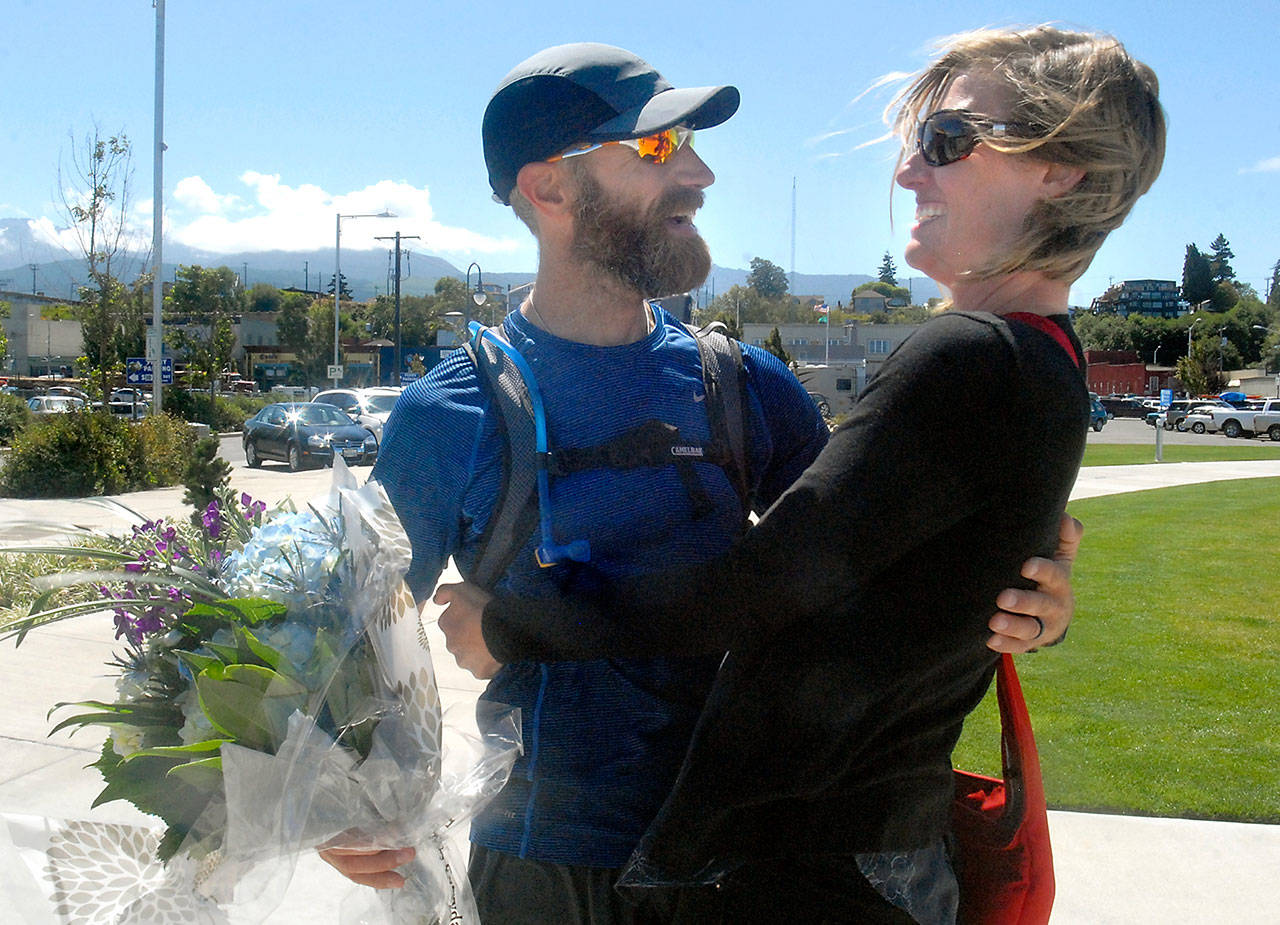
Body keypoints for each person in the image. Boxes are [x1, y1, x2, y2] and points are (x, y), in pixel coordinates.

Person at [321, 41, 1079, 923]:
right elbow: (352, 634)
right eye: (656, 149)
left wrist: (1034, 599)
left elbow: (868, 566)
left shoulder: (743, 383)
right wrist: (334, 795)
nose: (701, 171)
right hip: (544, 869)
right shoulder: (452, 411)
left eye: (689, 143)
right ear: (548, 188)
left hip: (740, 862)